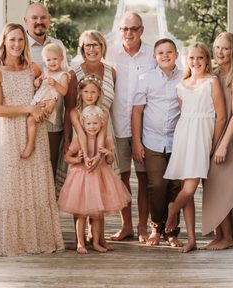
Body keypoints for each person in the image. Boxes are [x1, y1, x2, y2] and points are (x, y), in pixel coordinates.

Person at [0, 23, 64, 256]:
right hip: (10, 134)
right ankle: (12, 241)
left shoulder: (34, 69)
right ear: (4, 42)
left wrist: (45, 108)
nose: (17, 44)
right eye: (12, 40)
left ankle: (37, 240)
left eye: (20, 40)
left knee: (37, 184)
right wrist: (29, 108)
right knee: (12, 187)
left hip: (35, 133)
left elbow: (51, 92)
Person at [164, 42, 227, 253]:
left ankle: (172, 211)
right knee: (186, 190)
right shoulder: (181, 85)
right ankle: (191, 240)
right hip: (184, 136)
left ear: (207, 60)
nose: (196, 62)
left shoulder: (212, 82)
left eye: (200, 58)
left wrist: (213, 144)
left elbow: (221, 116)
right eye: (192, 58)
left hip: (204, 136)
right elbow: (185, 114)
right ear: (186, 61)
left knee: (189, 188)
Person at [105, 12, 156, 243]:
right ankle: (126, 226)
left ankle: (143, 227)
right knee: (121, 178)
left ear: (142, 30)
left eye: (134, 29)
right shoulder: (110, 53)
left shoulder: (152, 55)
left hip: (145, 128)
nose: (129, 33)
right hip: (116, 125)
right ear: (120, 31)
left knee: (145, 180)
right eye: (125, 29)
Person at [131, 38, 183, 248]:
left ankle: (171, 231)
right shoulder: (146, 78)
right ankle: (156, 227)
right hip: (152, 140)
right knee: (157, 185)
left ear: (176, 55)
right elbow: (137, 112)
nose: (165, 55)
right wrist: (137, 142)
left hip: (178, 140)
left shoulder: (185, 77)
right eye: (160, 52)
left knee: (175, 186)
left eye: (169, 52)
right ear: (154, 56)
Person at [58, 105, 130, 254]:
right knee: (81, 215)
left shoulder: (106, 140)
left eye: (95, 123)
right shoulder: (78, 140)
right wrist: (76, 159)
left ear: (102, 124)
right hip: (81, 180)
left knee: (97, 215)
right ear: (83, 124)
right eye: (89, 123)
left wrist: (108, 153)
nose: (92, 127)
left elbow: (110, 161)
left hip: (100, 179)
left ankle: (96, 242)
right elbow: (67, 157)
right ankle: (80, 242)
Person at [201, 32, 233, 250]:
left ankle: (228, 237)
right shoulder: (213, 74)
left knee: (225, 187)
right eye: (217, 47)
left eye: (225, 48)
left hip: (229, 139)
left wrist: (223, 144)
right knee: (212, 185)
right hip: (213, 136)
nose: (220, 52)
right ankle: (219, 234)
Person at [59, 31, 116, 193]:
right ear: (82, 49)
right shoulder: (73, 74)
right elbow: (69, 109)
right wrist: (67, 139)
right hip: (81, 134)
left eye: (95, 45)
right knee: (81, 185)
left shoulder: (111, 72)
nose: (92, 49)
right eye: (88, 45)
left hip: (104, 132)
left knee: (103, 186)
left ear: (102, 47)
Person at [24, 3, 68, 178]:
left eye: (43, 18)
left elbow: (65, 78)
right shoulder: (20, 46)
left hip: (53, 121)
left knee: (50, 169)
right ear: (26, 20)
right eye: (34, 18)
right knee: (29, 169)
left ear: (49, 21)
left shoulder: (58, 45)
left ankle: (49, 205)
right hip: (28, 117)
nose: (39, 21)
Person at [24, 43, 70, 159]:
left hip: (50, 108)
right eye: (48, 60)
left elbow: (64, 91)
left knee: (30, 120)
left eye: (55, 59)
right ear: (44, 61)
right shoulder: (45, 72)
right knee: (29, 119)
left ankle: (30, 145)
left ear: (61, 58)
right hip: (39, 103)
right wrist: (37, 82)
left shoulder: (63, 75)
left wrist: (55, 84)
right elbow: (37, 84)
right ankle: (30, 143)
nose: (52, 62)